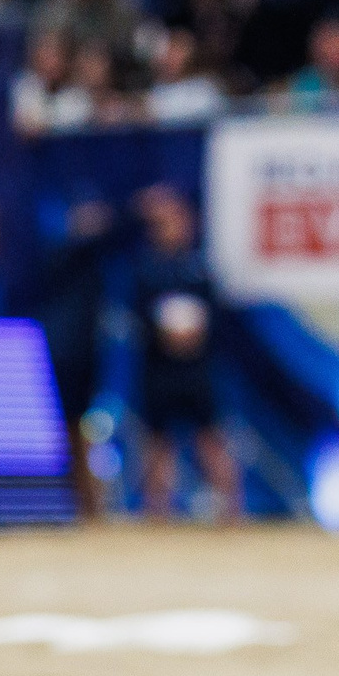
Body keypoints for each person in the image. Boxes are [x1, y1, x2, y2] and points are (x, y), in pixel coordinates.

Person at [129, 185, 239, 522]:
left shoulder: (199, 268)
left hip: (196, 370)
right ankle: (157, 514)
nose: (171, 228)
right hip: (159, 370)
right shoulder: (146, 270)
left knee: (211, 439)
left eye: (175, 220)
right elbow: (140, 318)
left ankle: (232, 513)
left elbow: (214, 317)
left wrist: (192, 334)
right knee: (158, 444)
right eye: (163, 222)